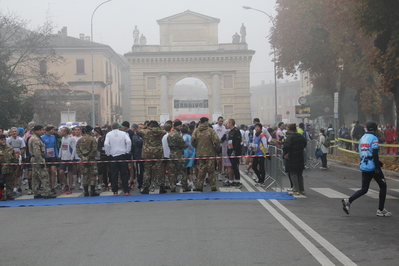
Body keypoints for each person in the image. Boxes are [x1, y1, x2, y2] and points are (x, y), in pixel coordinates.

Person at [342, 121, 392, 217]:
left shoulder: (362, 139)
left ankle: (349, 200)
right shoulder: (374, 138)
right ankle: (380, 210)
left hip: (364, 165)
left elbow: (363, 152)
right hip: (373, 166)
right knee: (383, 186)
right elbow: (374, 153)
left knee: (364, 189)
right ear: (375, 128)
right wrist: (377, 166)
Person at [191, 117, 220, 192]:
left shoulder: (196, 131)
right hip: (210, 154)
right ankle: (213, 186)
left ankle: (199, 186)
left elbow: (192, 141)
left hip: (200, 154)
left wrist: (197, 147)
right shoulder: (210, 130)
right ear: (206, 122)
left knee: (201, 170)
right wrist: (216, 149)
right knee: (211, 171)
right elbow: (216, 140)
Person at [137, 120, 165, 194]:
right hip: (158, 153)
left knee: (147, 171)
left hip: (148, 154)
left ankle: (146, 187)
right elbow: (164, 131)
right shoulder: (161, 132)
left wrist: (146, 126)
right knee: (159, 170)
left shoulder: (146, 131)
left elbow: (138, 130)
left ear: (150, 126)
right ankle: (161, 187)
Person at [29, 125, 56, 199]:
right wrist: (41, 162)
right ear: (36, 131)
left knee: (36, 177)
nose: (42, 131)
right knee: (44, 176)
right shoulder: (35, 139)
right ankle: (47, 192)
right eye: (41, 130)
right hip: (38, 159)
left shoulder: (36, 138)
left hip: (34, 159)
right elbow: (37, 152)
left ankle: (36, 192)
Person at [104, 122, 132, 196]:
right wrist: (127, 151)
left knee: (114, 174)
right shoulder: (123, 133)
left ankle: (115, 191)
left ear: (111, 127)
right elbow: (128, 141)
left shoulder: (109, 134)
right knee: (124, 173)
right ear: (118, 127)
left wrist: (108, 153)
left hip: (113, 156)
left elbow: (106, 144)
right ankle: (126, 190)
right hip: (122, 155)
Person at [282, 124, 307, 195]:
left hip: (292, 157)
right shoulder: (300, 136)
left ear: (289, 129)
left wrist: (285, 153)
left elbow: (286, 147)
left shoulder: (290, 137)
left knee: (293, 173)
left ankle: (295, 189)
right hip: (300, 156)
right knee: (299, 174)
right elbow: (305, 143)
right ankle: (301, 189)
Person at [76, 125, 100, 197]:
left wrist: (83, 157)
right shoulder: (92, 139)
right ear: (90, 131)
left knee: (85, 175)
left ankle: (86, 191)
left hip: (83, 160)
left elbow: (77, 150)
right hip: (91, 160)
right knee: (92, 175)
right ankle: (92, 191)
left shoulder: (80, 140)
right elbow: (94, 149)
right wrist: (89, 157)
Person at [168, 120, 191, 192]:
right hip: (178, 153)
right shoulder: (178, 135)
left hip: (171, 153)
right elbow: (183, 144)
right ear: (178, 126)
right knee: (182, 170)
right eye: (180, 126)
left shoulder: (170, 134)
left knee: (173, 172)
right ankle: (185, 187)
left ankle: (173, 186)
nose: (181, 128)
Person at [223, 119, 242, 187]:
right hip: (230, 151)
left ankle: (238, 180)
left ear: (230, 123)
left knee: (235, 167)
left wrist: (234, 151)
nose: (226, 125)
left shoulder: (236, 131)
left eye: (227, 123)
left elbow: (237, 142)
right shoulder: (230, 132)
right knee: (232, 166)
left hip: (235, 152)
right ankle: (232, 180)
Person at [6, 127, 26, 196]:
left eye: (15, 131)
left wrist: (20, 153)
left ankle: (15, 189)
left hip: (18, 158)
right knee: (9, 174)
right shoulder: (8, 140)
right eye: (13, 131)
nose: (14, 133)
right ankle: (8, 189)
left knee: (16, 173)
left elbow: (23, 148)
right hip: (10, 158)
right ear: (10, 133)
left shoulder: (20, 139)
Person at [58, 126, 76, 195]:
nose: (61, 132)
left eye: (62, 131)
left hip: (69, 158)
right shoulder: (62, 138)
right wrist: (59, 156)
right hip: (63, 158)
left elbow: (74, 148)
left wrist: (72, 158)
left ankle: (70, 188)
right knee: (61, 172)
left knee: (70, 173)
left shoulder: (71, 139)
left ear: (65, 132)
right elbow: (61, 147)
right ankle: (66, 185)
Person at [0, 134, 18, 200]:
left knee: (10, 182)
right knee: (1, 183)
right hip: (1, 168)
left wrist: (15, 164)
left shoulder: (9, 147)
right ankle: (2, 195)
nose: (3, 141)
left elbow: (14, 156)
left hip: (9, 168)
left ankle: (9, 194)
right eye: (2, 140)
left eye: (4, 139)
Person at [41, 126, 59, 194]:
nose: (53, 131)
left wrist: (57, 155)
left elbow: (55, 146)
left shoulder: (53, 137)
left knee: (53, 171)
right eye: (52, 130)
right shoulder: (42, 137)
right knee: (47, 172)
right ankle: (47, 186)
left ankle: (53, 186)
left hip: (53, 156)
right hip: (46, 156)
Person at [213, 116, 226, 181]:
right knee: (214, 160)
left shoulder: (224, 128)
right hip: (214, 145)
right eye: (220, 121)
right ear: (217, 120)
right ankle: (214, 171)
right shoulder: (214, 127)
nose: (221, 122)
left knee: (220, 160)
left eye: (222, 121)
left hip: (221, 146)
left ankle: (219, 173)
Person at [131, 124, 144, 190]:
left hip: (145, 156)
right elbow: (139, 142)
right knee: (139, 171)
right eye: (140, 128)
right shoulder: (135, 136)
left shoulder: (144, 136)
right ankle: (140, 184)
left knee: (145, 171)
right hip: (138, 156)